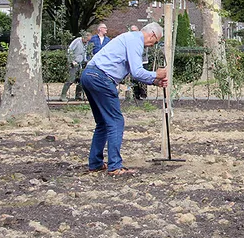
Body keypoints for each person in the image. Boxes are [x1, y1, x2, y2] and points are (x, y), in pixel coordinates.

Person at [80, 22, 168, 176]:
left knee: (102, 122)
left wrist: (154, 82)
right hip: (102, 78)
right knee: (115, 121)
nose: (152, 46)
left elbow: (133, 72)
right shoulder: (136, 41)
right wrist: (156, 75)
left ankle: (95, 163)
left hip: (89, 75)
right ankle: (115, 166)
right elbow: (137, 71)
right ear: (152, 34)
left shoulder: (128, 38)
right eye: (155, 42)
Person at [60, 31, 92, 101]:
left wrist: (86, 60)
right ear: (84, 37)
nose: (87, 42)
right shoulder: (77, 41)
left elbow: (84, 53)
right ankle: (63, 95)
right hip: (73, 63)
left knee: (81, 80)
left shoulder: (86, 43)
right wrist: (72, 61)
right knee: (71, 79)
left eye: (88, 41)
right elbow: (70, 50)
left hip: (80, 64)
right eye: (86, 40)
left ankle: (78, 95)